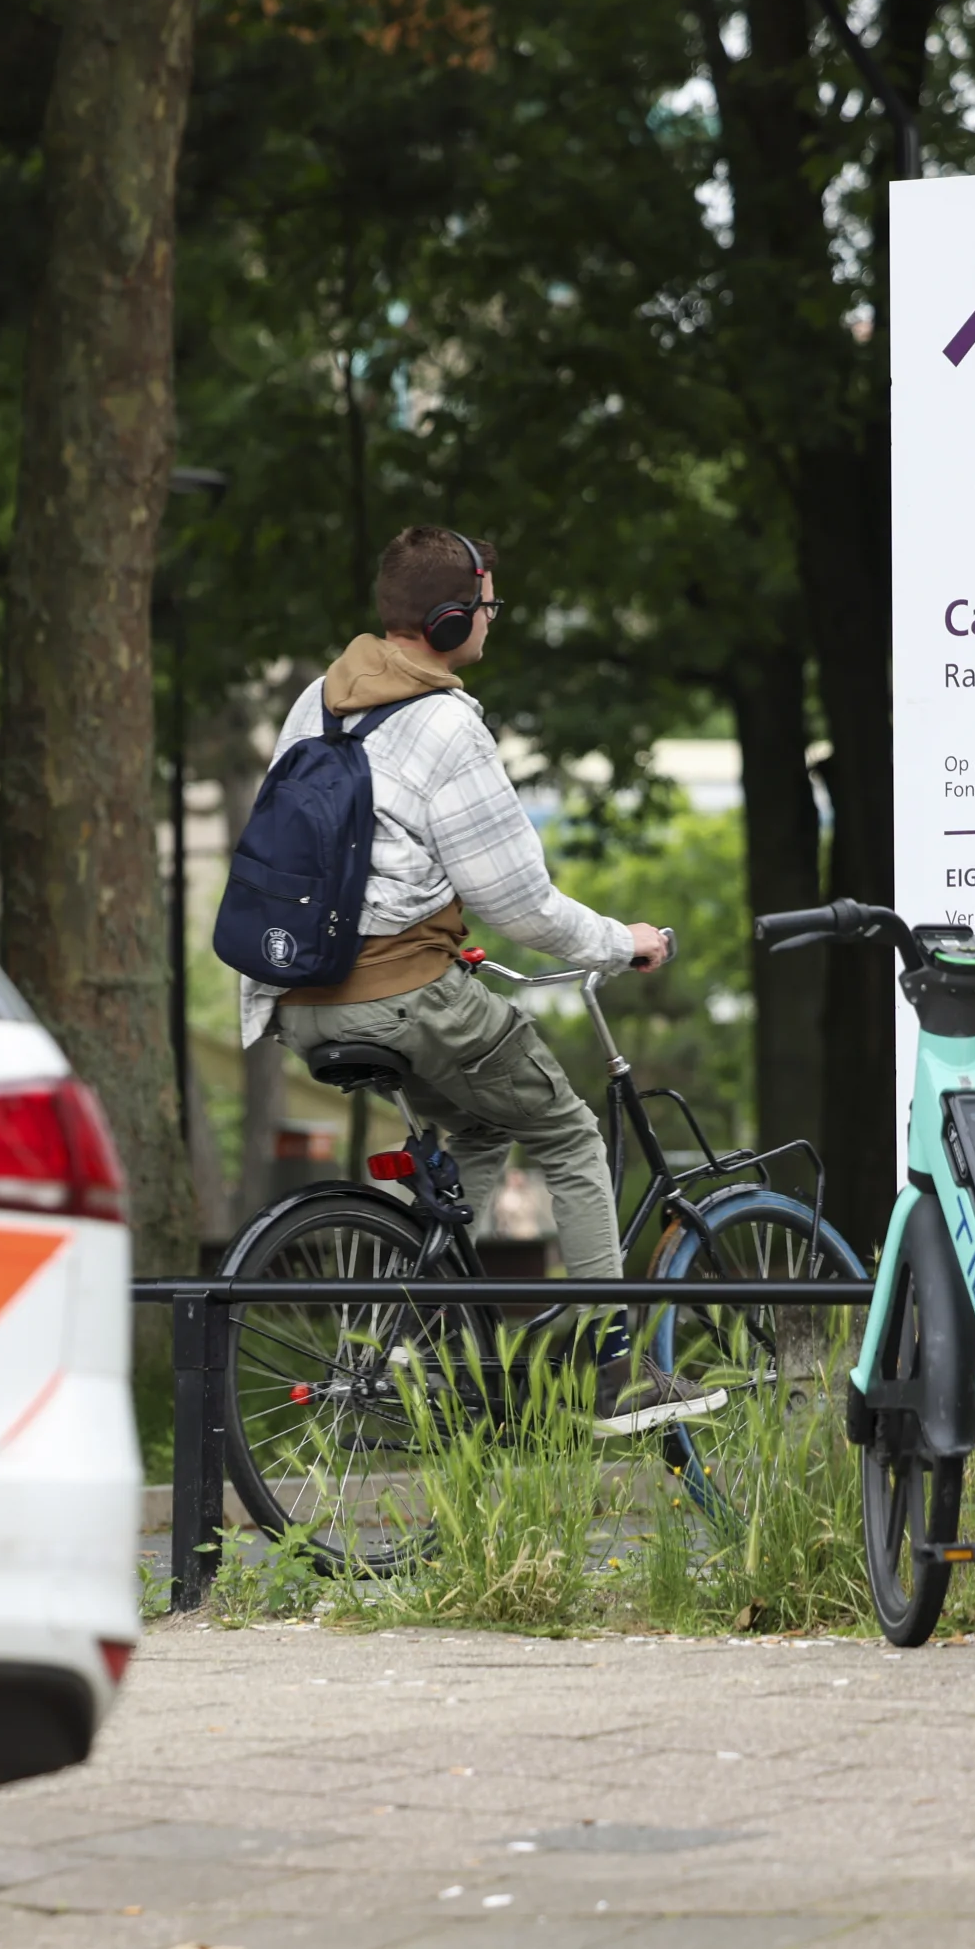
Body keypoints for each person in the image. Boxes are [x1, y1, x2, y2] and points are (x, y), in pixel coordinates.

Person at [238, 525, 703, 1430]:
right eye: (489, 607)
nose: (493, 620)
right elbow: (521, 904)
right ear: (451, 620)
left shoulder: (315, 703)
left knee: (481, 1127)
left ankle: (405, 1338)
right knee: (568, 1132)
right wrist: (622, 941)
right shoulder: (449, 725)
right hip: (403, 995)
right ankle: (619, 1374)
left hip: (297, 999)